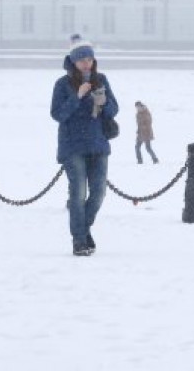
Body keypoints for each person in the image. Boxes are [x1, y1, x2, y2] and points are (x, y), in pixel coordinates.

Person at [50, 34, 119, 256]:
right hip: (73, 147)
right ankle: (79, 240)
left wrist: (104, 102)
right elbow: (58, 114)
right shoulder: (62, 84)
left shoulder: (102, 80)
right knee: (78, 194)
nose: (86, 63)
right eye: (81, 59)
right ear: (73, 61)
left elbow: (113, 110)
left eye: (89, 58)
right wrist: (77, 97)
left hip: (98, 144)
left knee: (99, 193)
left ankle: (83, 229)